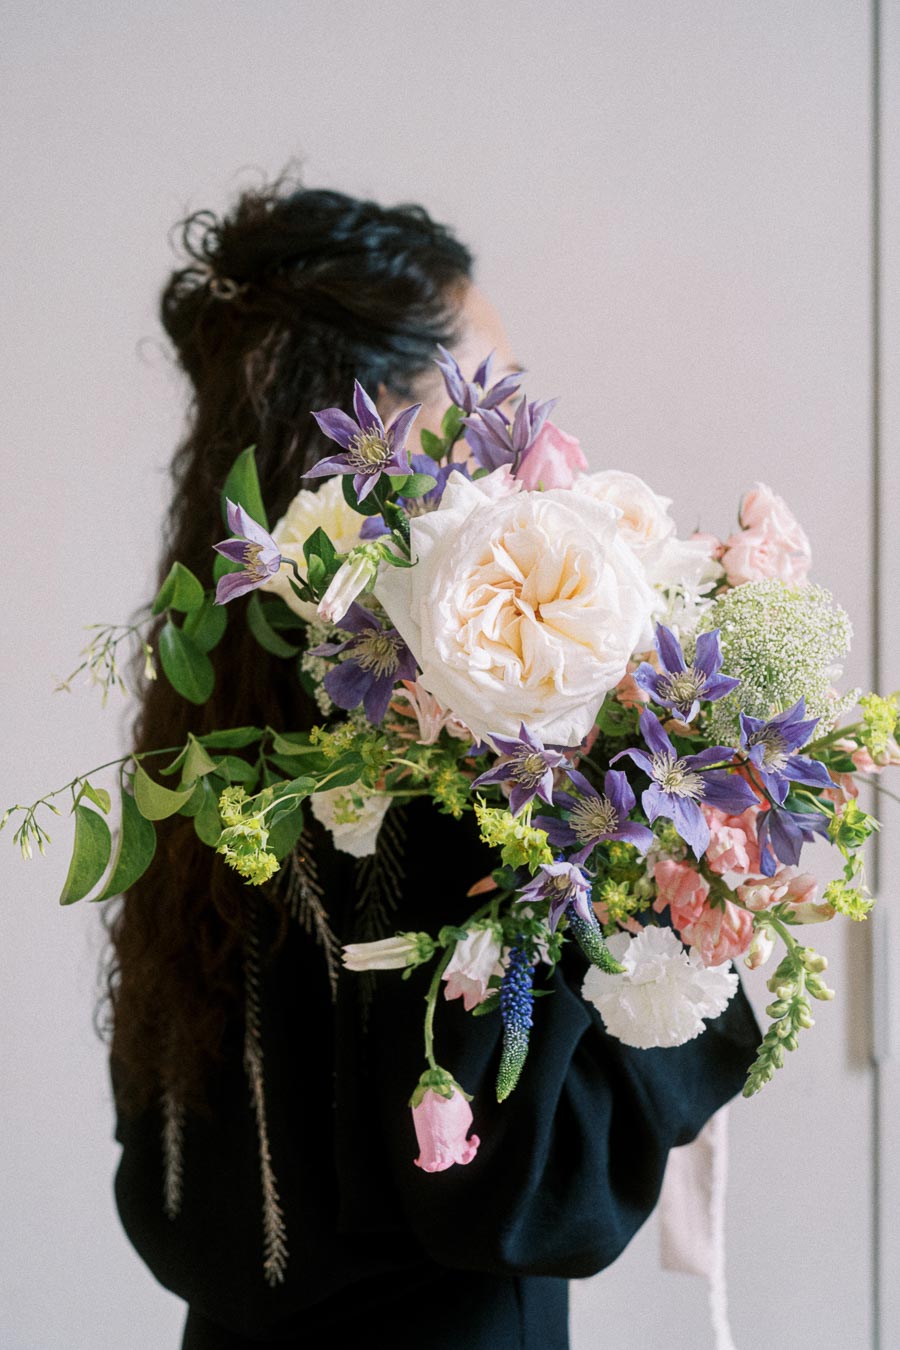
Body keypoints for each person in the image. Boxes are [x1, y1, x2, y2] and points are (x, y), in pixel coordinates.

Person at [105, 175, 762, 1350]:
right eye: (485, 402)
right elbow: (523, 1196)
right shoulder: (446, 739)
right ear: (371, 437)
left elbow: (168, 1188)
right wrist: (690, 935)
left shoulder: (202, 733)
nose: (519, 454)